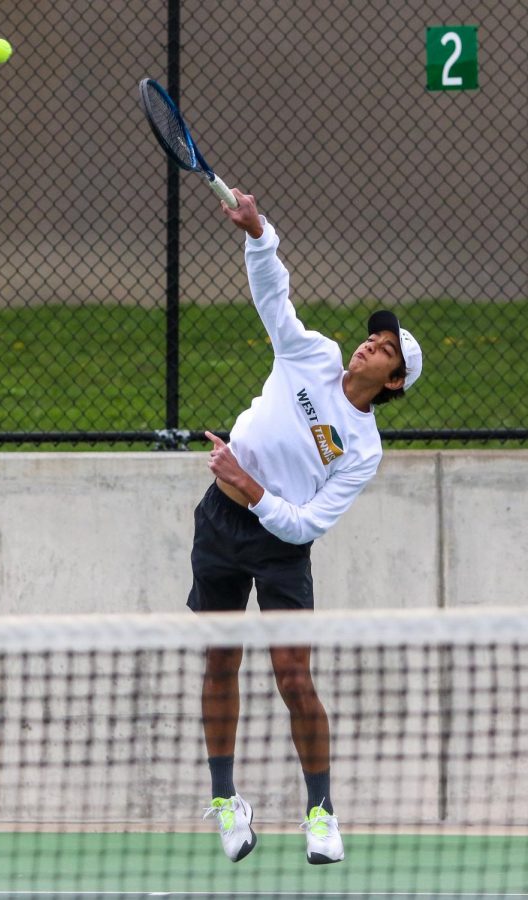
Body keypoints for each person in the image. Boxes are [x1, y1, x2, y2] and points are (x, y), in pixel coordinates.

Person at [188, 189, 422, 865]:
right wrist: (260, 233)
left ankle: (321, 811)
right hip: (219, 524)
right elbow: (273, 297)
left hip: (278, 545)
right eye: (372, 336)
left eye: (383, 349)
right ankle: (228, 800)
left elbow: (305, 525)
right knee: (219, 660)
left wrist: (248, 481)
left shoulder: (363, 448)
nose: (369, 344)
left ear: (395, 383)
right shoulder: (312, 355)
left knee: (293, 677)